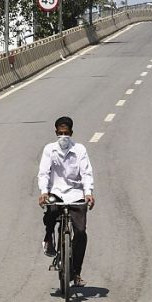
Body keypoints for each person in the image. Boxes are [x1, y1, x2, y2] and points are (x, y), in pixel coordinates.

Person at [37, 115, 95, 287]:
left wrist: (88, 193)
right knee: (51, 211)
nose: (63, 136)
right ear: (56, 132)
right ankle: (49, 238)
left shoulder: (80, 150)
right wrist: (43, 191)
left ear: (71, 133)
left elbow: (86, 173)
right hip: (56, 192)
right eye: (60, 133)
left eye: (66, 133)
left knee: (81, 232)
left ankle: (76, 272)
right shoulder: (49, 149)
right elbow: (44, 173)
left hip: (76, 193)